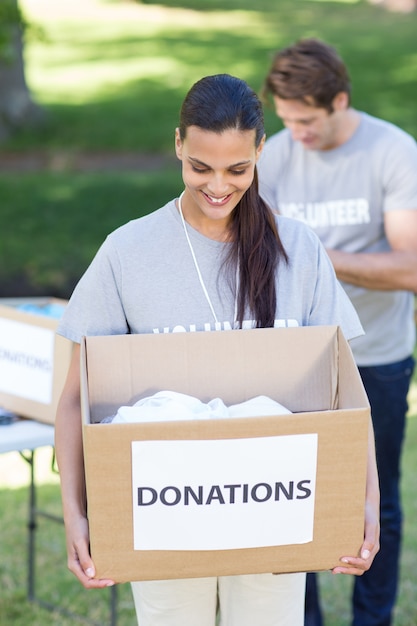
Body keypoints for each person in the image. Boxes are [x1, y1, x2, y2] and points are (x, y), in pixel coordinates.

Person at [54, 73, 380, 626]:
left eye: (238, 169)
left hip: (275, 504)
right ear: (178, 143)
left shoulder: (297, 249)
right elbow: (74, 399)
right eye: (200, 167)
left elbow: (347, 392)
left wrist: (364, 504)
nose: (219, 187)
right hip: (163, 514)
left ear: (260, 151)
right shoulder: (128, 252)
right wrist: (74, 513)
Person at [258, 38, 417, 626]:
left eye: (306, 120)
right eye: (286, 119)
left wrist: (316, 254)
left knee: (376, 503)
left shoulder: (393, 153)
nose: (295, 132)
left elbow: (410, 266)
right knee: (295, 499)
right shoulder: (272, 157)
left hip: (378, 357)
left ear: (340, 100)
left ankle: (370, 621)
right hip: (296, 363)